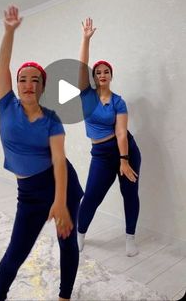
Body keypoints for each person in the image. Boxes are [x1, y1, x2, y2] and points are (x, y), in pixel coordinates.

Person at [0, 6, 83, 301]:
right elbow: (2, 65)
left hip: (61, 185)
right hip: (29, 192)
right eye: (23, 79)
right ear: (16, 84)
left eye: (35, 80)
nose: (28, 84)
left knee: (66, 242)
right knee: (15, 252)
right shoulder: (6, 105)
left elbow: (59, 160)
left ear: (42, 86)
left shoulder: (52, 119)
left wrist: (60, 203)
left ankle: (64, 297)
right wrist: (9, 32)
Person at [77, 17, 141, 257]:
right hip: (102, 155)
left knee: (130, 193)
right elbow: (81, 67)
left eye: (107, 72)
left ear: (111, 76)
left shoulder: (118, 101)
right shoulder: (86, 95)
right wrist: (85, 39)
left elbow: (122, 132)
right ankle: (80, 234)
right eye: (99, 72)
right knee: (92, 195)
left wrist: (124, 160)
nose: (102, 74)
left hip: (126, 150)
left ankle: (130, 238)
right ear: (94, 77)